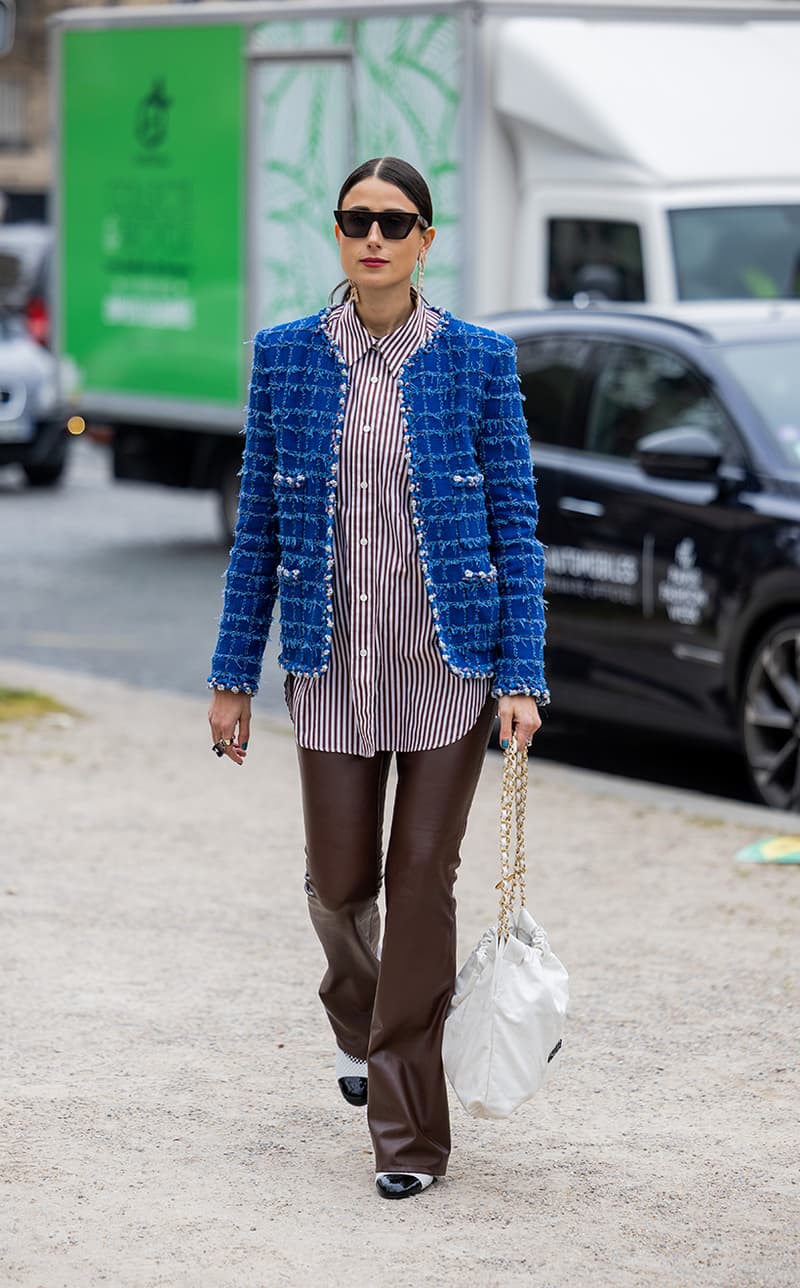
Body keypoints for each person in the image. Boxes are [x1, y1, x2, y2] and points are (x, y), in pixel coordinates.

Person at [207, 157, 548, 1200]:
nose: (373, 237)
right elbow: (257, 528)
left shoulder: (479, 361)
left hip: (449, 670)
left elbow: (515, 531)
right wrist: (230, 675)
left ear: (425, 239)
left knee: (421, 891)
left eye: (394, 222)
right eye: (356, 219)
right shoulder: (285, 359)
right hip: (331, 669)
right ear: (339, 234)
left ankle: (407, 1132)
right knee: (342, 883)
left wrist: (519, 676)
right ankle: (360, 1023)